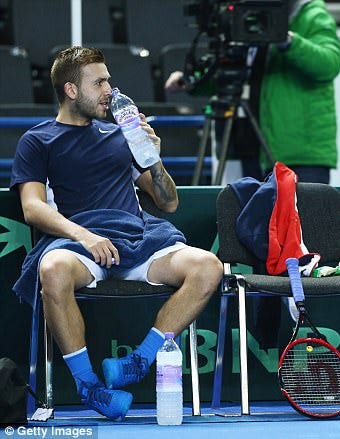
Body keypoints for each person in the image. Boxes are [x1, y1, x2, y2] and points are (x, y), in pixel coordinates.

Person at [10, 46, 223, 421]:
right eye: (100, 82)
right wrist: (85, 236)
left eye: (109, 80)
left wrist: (153, 157)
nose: (110, 89)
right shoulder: (37, 140)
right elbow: (32, 207)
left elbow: (168, 202)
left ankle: (138, 362)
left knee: (207, 266)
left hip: (139, 239)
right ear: (72, 90)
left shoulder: (120, 134)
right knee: (52, 269)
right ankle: (89, 387)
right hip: (80, 244)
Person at [165, 0, 340, 184]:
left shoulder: (312, 15)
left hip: (300, 155)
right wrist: (193, 80)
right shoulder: (253, 17)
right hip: (254, 148)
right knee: (255, 212)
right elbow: (236, 70)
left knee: (303, 213)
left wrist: (287, 40)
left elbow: (329, 64)